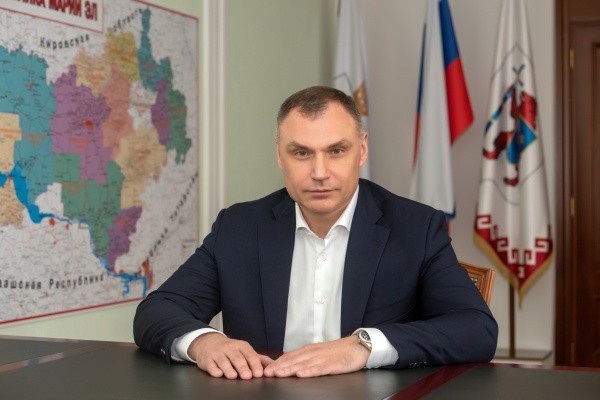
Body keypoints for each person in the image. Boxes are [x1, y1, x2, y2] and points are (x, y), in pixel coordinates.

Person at [133, 86, 498, 380]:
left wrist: (363, 346)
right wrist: (204, 342)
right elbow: (157, 310)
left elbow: (476, 329)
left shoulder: (415, 227)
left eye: (336, 151)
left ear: (362, 150)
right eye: (301, 153)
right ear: (280, 155)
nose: (320, 172)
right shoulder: (239, 227)